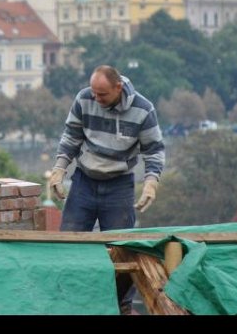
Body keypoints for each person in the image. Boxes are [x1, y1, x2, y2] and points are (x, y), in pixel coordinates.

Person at [48, 65, 165, 314]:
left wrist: (151, 182)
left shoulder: (143, 110)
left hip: (119, 185)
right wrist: (60, 168)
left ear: (118, 87)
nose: (97, 99)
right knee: (69, 242)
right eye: (94, 93)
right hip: (84, 182)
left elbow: (154, 150)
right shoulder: (84, 98)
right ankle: (67, 300)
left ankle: (120, 305)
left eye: (103, 95)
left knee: (122, 249)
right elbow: (71, 136)